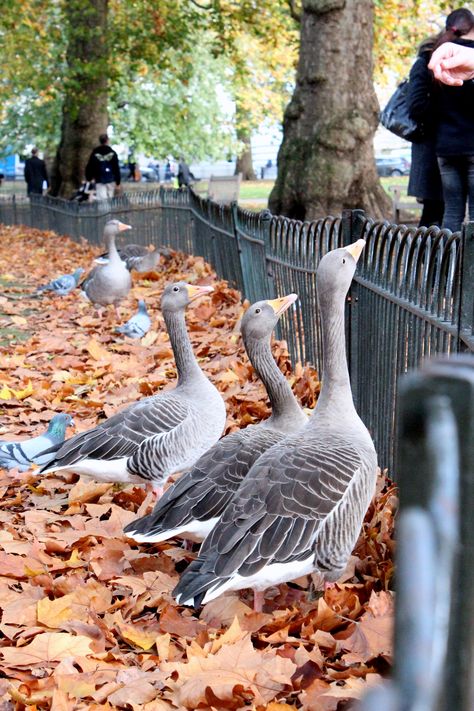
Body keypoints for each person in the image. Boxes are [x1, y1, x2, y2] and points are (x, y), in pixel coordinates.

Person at [429, 8, 474, 232]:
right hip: (471, 144)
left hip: (445, 146)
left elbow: (423, 104)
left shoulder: (441, 55)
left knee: (452, 211)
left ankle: (448, 265)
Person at [406, 36, 444, 227]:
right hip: (431, 147)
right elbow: (416, 106)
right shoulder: (424, 65)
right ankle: (425, 256)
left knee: (439, 210)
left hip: (447, 146)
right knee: (433, 210)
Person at [85, 134, 121, 200]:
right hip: (111, 178)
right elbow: (116, 168)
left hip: (99, 178)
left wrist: (89, 178)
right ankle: (109, 210)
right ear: (107, 141)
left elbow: (90, 166)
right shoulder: (112, 153)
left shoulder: (95, 152)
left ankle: (103, 210)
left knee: (102, 199)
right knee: (110, 198)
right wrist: (118, 182)